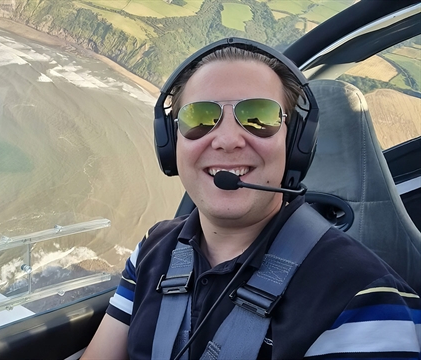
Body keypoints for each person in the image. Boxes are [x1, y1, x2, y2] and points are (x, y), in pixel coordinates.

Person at [82, 38, 421, 359]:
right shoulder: (153, 250)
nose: (227, 140)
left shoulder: (364, 299)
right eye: (200, 117)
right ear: (171, 144)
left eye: (259, 117)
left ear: (296, 144)